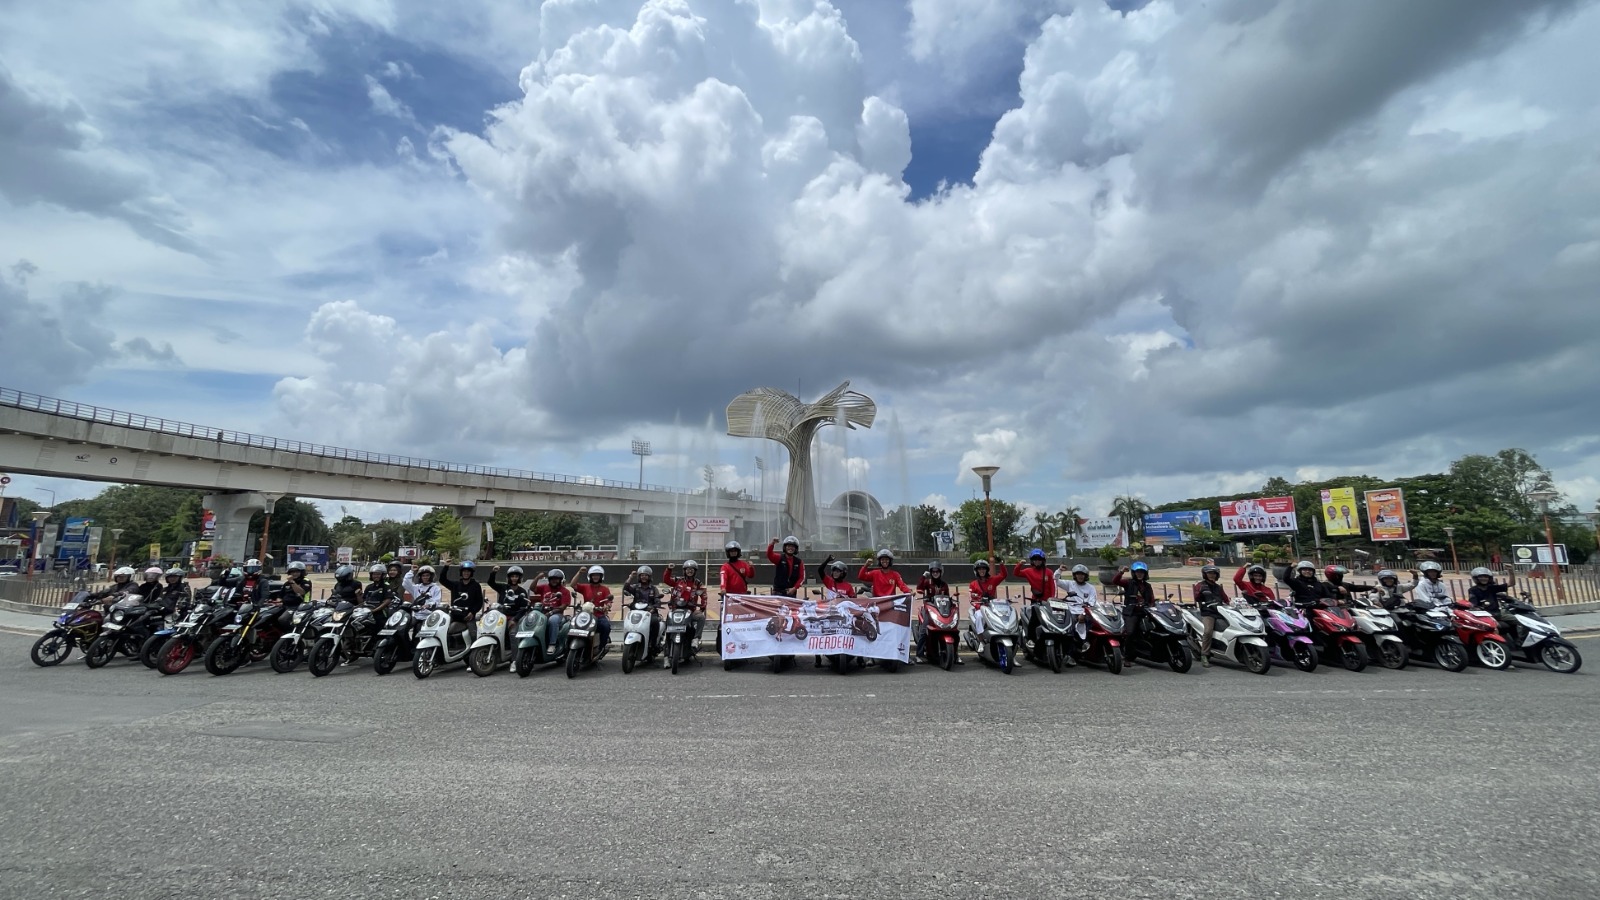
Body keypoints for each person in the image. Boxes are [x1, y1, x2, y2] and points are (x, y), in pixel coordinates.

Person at [1191, 565, 1231, 667]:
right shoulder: (1200, 585)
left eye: (1213, 574)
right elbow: (1197, 597)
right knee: (1208, 631)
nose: (1212, 575)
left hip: (1221, 612)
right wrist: (1200, 593)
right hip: (1208, 613)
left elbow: (1226, 599)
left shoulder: (1218, 587)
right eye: (1209, 573)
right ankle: (1205, 654)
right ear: (1205, 575)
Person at [1113, 562, 1157, 652]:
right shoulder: (1128, 583)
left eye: (1142, 572)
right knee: (1130, 632)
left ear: (1145, 573)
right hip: (1131, 612)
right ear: (1134, 573)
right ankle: (1128, 656)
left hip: (1145, 611)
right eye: (1137, 572)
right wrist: (1121, 572)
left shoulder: (1148, 586)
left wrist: (1152, 607)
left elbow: (1151, 599)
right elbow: (1115, 581)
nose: (1140, 574)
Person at [662, 560, 708, 646]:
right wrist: (668, 569)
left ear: (695, 571)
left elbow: (704, 595)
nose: (690, 571)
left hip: (690, 610)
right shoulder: (678, 580)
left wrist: (701, 608)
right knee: (668, 618)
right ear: (684, 570)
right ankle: (666, 637)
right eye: (688, 569)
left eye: (692, 569)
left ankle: (696, 638)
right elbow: (666, 580)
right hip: (675, 608)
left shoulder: (698, 583)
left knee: (701, 617)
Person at [622, 566, 664, 658]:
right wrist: (630, 577)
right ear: (639, 577)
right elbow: (626, 587)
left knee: (655, 622)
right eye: (642, 575)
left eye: (646, 575)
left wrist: (654, 608)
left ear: (649, 577)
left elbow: (657, 601)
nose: (644, 577)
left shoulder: (653, 589)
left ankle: (653, 644)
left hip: (650, 612)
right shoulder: (635, 587)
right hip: (637, 611)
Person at [439, 561, 486, 638]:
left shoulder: (476, 585)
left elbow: (479, 602)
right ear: (461, 572)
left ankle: (474, 649)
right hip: (455, 615)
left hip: (468, 616)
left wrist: (472, 612)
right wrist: (446, 567)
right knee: (442, 630)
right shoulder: (455, 585)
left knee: (473, 634)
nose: (466, 573)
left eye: (468, 571)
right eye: (464, 571)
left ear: (471, 573)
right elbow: (442, 580)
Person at [967, 558, 1010, 640]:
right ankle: (981, 639)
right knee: (979, 617)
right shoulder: (973, 584)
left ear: (987, 570)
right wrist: (978, 606)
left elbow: (1004, 575)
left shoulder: (993, 580)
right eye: (979, 569)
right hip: (980, 608)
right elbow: (971, 599)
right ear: (976, 571)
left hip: (992, 607)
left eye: (983, 569)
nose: (982, 571)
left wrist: (1001, 564)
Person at [573, 565, 614, 649]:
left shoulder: (605, 589)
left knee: (606, 626)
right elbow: (573, 584)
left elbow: (608, 601)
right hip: (586, 614)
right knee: (573, 625)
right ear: (590, 576)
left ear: (601, 577)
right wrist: (579, 572)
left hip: (599, 615)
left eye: (597, 575)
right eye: (593, 575)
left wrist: (607, 606)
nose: (595, 577)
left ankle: (601, 647)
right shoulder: (585, 587)